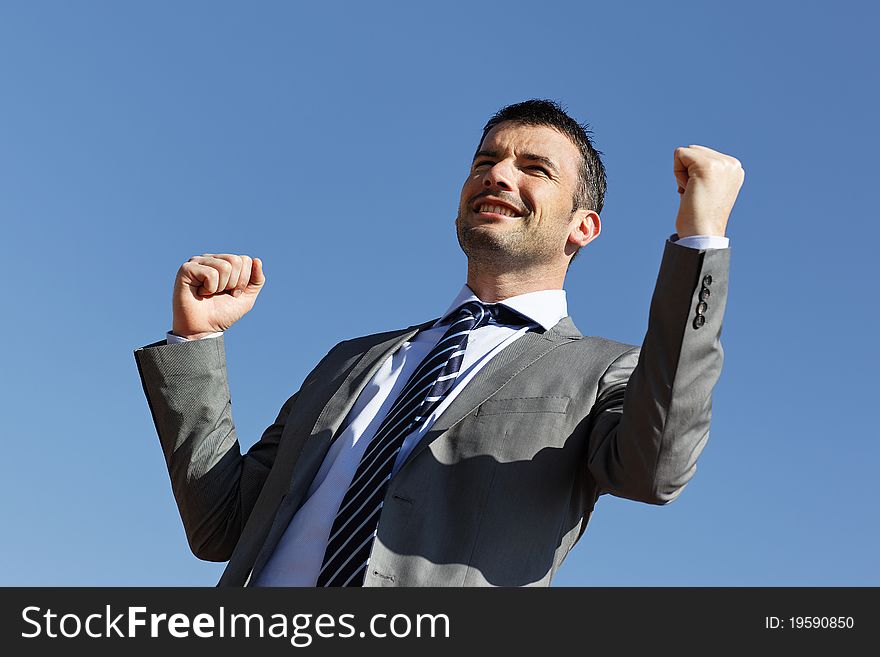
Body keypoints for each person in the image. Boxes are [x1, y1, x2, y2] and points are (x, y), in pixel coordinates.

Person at [135, 99, 744, 587]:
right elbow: (222, 527)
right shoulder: (352, 360)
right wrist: (197, 338)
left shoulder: (603, 372)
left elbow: (657, 470)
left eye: (535, 168)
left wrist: (700, 241)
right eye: (485, 161)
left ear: (582, 227)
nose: (498, 174)